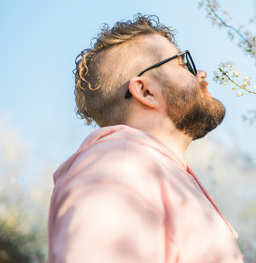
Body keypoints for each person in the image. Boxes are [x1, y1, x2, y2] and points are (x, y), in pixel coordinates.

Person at [48, 14, 244, 263]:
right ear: (145, 91)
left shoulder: (143, 169)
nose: (201, 73)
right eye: (184, 65)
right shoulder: (118, 164)